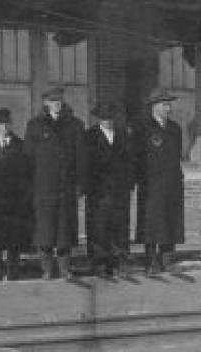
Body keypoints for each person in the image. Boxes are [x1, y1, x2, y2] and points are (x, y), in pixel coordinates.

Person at [23, 86, 85, 281]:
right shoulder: (35, 126)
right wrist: (30, 187)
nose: (57, 105)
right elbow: (28, 159)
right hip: (43, 188)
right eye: (52, 102)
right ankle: (47, 269)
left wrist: (79, 185)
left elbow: (81, 158)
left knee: (64, 230)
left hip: (66, 187)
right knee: (45, 230)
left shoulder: (74, 125)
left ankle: (65, 269)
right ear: (45, 103)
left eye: (59, 101)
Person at [136, 89, 185, 275]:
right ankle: (151, 262)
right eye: (164, 104)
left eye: (169, 104)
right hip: (151, 183)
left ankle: (168, 260)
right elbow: (138, 157)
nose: (168, 107)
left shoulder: (175, 129)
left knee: (170, 221)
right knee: (152, 223)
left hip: (172, 182)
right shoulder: (143, 128)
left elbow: (176, 156)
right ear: (154, 106)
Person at [83, 101, 133, 279]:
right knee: (99, 228)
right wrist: (89, 187)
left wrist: (128, 183)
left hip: (119, 191)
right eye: (104, 118)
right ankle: (99, 264)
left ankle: (120, 263)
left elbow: (129, 161)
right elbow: (86, 165)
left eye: (111, 117)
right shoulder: (90, 136)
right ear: (98, 119)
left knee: (119, 227)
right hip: (99, 192)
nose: (108, 121)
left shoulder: (123, 135)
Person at [0, 108, 31, 281]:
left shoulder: (20, 145)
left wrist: (23, 195)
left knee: (14, 238)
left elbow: (26, 173)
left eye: (6, 124)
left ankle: (13, 273)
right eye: (0, 124)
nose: (4, 127)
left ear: (11, 124)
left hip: (14, 200)